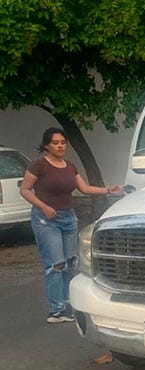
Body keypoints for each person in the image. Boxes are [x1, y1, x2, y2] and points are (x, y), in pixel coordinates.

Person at [19, 127, 123, 323]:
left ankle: (69, 304)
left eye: (62, 142)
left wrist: (109, 190)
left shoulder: (70, 166)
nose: (60, 146)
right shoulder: (38, 165)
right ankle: (56, 310)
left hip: (68, 218)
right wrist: (43, 206)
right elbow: (25, 190)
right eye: (55, 143)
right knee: (55, 264)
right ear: (46, 146)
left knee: (70, 263)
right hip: (46, 219)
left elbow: (84, 188)